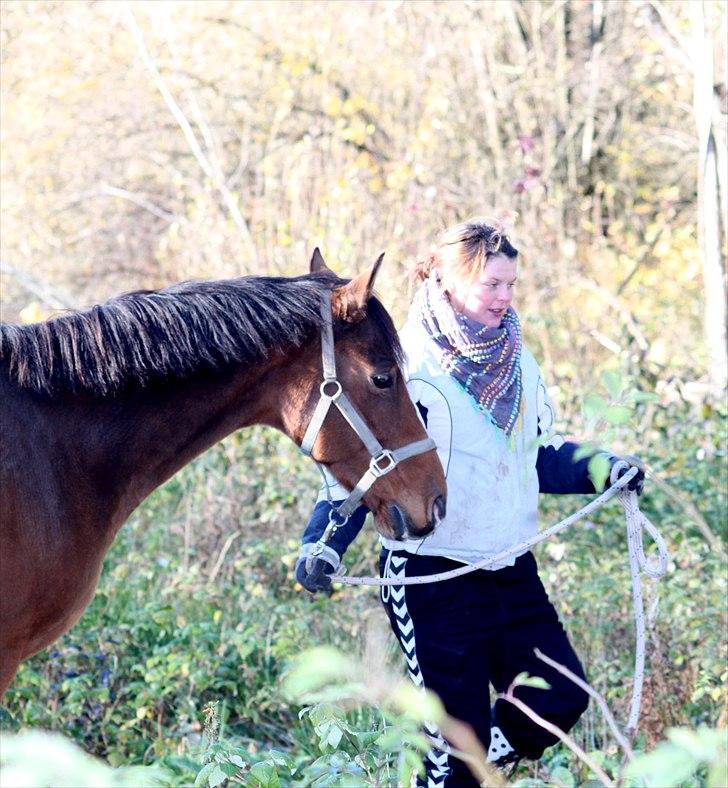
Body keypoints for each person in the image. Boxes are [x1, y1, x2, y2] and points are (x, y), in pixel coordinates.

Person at [296, 218, 644, 787]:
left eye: (512, 285)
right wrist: (322, 543)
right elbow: (359, 472)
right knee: (455, 752)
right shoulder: (407, 365)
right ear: (450, 283)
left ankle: (475, 765)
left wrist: (605, 469)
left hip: (510, 569)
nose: (506, 298)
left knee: (559, 698)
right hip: (433, 581)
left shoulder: (516, 362)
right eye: (493, 286)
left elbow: (539, 453)